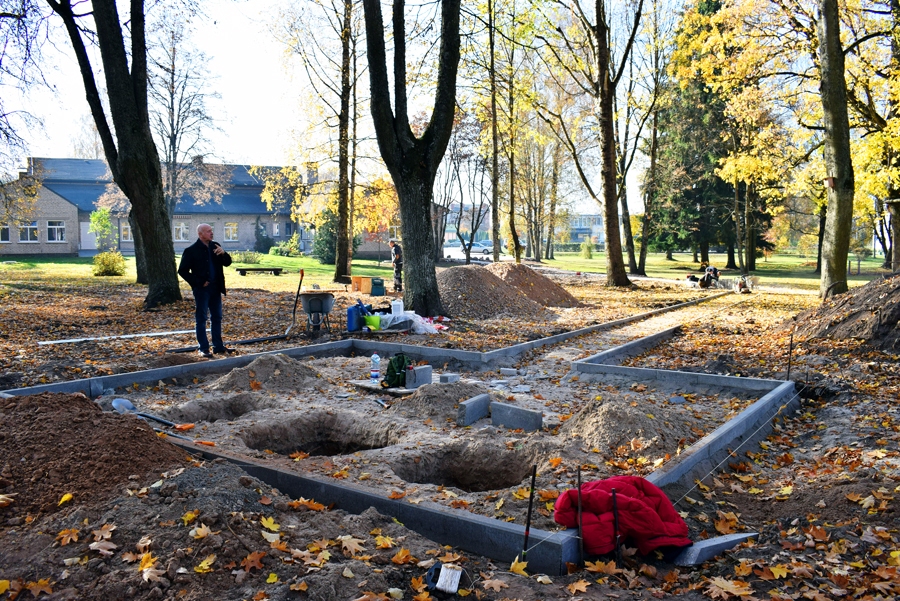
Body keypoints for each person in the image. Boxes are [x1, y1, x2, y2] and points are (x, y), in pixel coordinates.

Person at [178, 223, 233, 358]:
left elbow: (227, 263)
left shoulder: (215, 246)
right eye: (208, 231)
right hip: (202, 290)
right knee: (201, 318)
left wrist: (223, 253)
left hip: (216, 288)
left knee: (217, 317)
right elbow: (182, 271)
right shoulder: (191, 250)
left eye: (211, 230)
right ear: (200, 234)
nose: (211, 233)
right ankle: (203, 348)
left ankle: (218, 346)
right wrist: (199, 282)